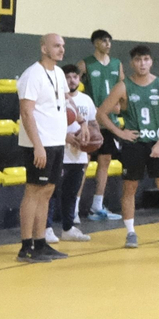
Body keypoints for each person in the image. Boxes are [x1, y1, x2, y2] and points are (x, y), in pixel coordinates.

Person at [97, 45, 159, 249]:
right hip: (134, 144)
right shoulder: (123, 86)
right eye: (138, 60)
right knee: (130, 187)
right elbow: (101, 113)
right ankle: (130, 232)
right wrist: (120, 133)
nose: (142, 64)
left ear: (151, 61)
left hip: (156, 143)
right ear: (131, 63)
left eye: (145, 59)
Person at [16, 34, 72, 262]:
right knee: (33, 191)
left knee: (47, 192)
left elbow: (63, 105)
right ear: (43, 48)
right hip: (39, 144)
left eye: (63, 46)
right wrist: (38, 146)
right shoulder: (32, 74)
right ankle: (25, 246)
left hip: (57, 141)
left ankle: (40, 243)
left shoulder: (59, 73)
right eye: (56, 46)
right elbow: (26, 112)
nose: (61, 50)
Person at [47, 63, 97, 245]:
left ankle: (68, 228)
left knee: (71, 193)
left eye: (75, 77)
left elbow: (93, 125)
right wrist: (65, 136)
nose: (71, 80)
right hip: (58, 151)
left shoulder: (86, 101)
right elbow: (47, 124)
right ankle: (46, 228)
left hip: (79, 154)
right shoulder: (55, 99)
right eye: (67, 77)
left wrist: (89, 139)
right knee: (50, 192)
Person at [80, 30, 123, 222]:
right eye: (104, 41)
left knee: (105, 162)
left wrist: (119, 106)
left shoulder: (117, 64)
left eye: (109, 41)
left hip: (110, 122)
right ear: (95, 43)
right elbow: (69, 84)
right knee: (83, 163)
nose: (108, 44)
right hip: (91, 122)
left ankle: (96, 205)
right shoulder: (85, 63)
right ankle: (73, 208)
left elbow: (123, 88)